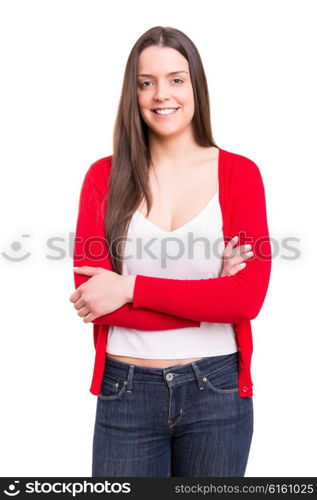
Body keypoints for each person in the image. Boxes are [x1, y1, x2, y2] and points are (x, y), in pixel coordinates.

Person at [69, 26, 272, 477]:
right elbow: (94, 303)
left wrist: (128, 287)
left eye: (176, 79)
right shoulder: (104, 177)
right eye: (147, 82)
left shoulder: (239, 175)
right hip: (126, 392)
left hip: (216, 389)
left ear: (195, 85)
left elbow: (246, 301)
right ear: (133, 92)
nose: (162, 95)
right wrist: (210, 299)